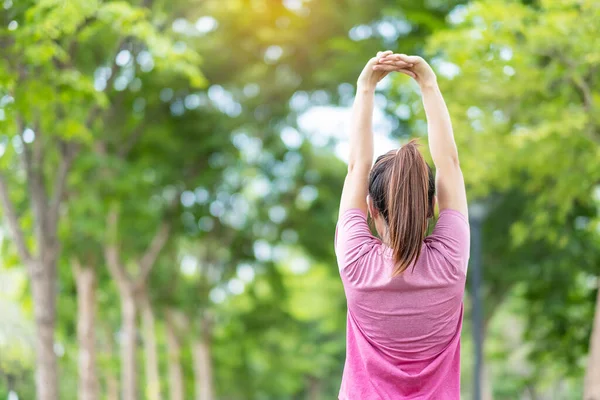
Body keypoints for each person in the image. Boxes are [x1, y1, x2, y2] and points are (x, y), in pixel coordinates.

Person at [335, 50, 470, 399]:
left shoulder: (357, 265)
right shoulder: (449, 262)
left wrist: (366, 88)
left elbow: (356, 168)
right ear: (432, 207)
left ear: (371, 209)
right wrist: (428, 82)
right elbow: (449, 164)